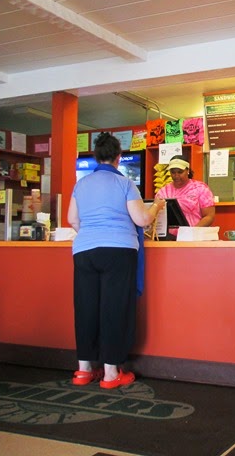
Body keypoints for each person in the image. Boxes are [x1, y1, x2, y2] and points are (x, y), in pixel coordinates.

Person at [67, 132, 165, 389]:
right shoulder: (125, 184)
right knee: (114, 308)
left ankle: (84, 370)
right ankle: (111, 374)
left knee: (86, 308)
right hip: (119, 251)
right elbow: (142, 219)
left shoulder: (81, 184)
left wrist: (92, 235)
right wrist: (156, 206)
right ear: (118, 158)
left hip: (84, 251)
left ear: (96, 156)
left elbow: (72, 219)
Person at [156, 155, 215, 227]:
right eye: (173, 172)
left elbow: (209, 216)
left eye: (180, 172)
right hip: (169, 234)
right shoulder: (163, 192)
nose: (176, 175)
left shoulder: (200, 188)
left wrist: (192, 231)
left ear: (188, 171)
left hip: (195, 232)